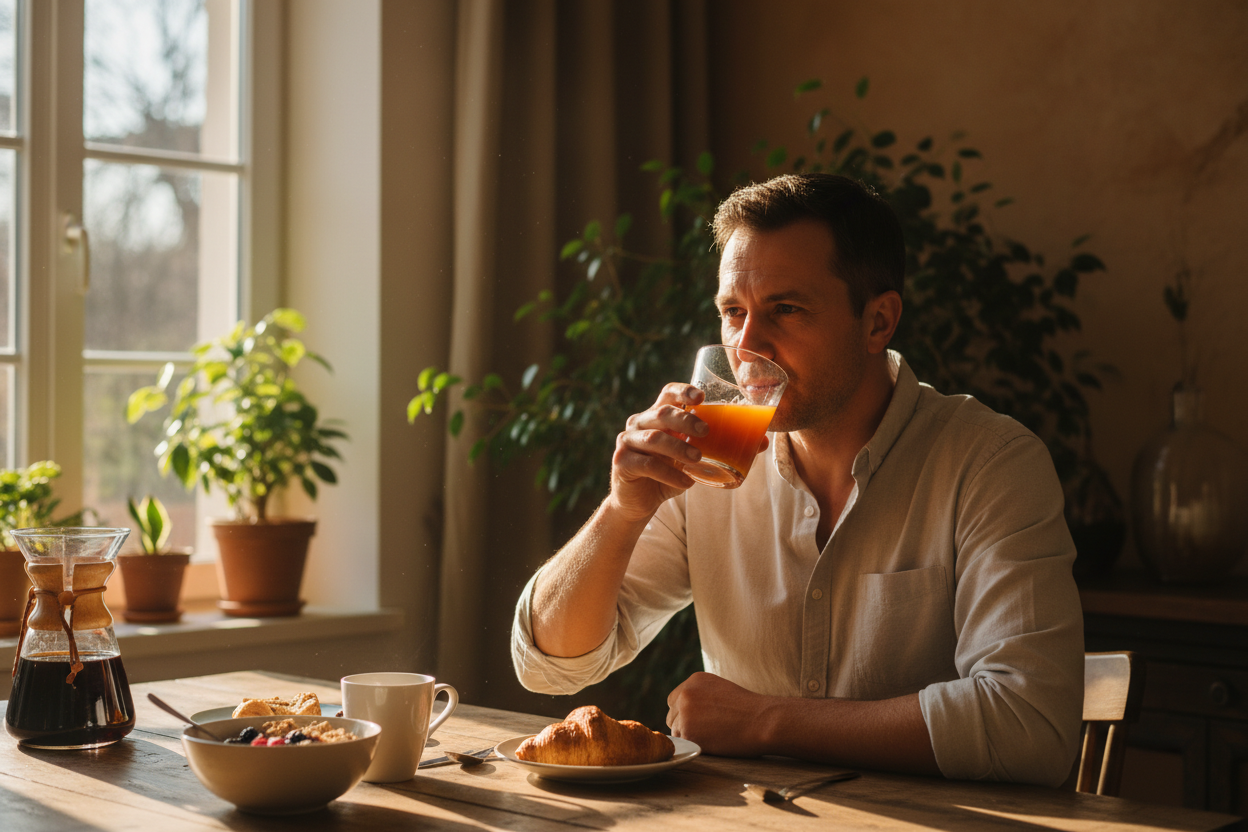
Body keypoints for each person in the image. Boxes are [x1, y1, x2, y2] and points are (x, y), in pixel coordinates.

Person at [510, 173, 1084, 787]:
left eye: (785, 309)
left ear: (877, 323)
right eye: (733, 312)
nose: (746, 345)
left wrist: (768, 721)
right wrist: (623, 510)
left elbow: (1030, 727)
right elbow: (551, 666)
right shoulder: (706, 462)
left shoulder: (991, 463)